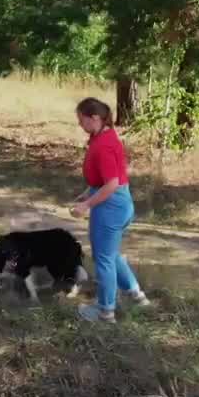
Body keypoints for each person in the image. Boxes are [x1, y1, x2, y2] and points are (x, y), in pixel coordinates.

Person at [70, 97, 151, 322]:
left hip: (111, 206)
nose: (80, 124)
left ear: (94, 118)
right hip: (120, 203)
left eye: (81, 119)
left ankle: (105, 312)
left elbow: (112, 183)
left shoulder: (104, 144)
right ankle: (137, 296)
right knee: (111, 254)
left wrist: (87, 205)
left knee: (103, 258)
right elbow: (107, 178)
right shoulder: (104, 136)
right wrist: (89, 191)